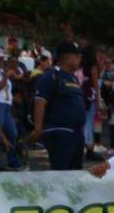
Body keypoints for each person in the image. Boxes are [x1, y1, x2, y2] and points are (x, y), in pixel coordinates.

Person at [30, 41, 87, 171]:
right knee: (61, 172)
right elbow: (40, 102)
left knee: (75, 172)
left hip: (76, 132)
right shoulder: (51, 76)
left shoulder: (73, 78)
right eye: (78, 56)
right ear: (67, 57)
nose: (80, 59)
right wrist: (38, 128)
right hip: (60, 131)